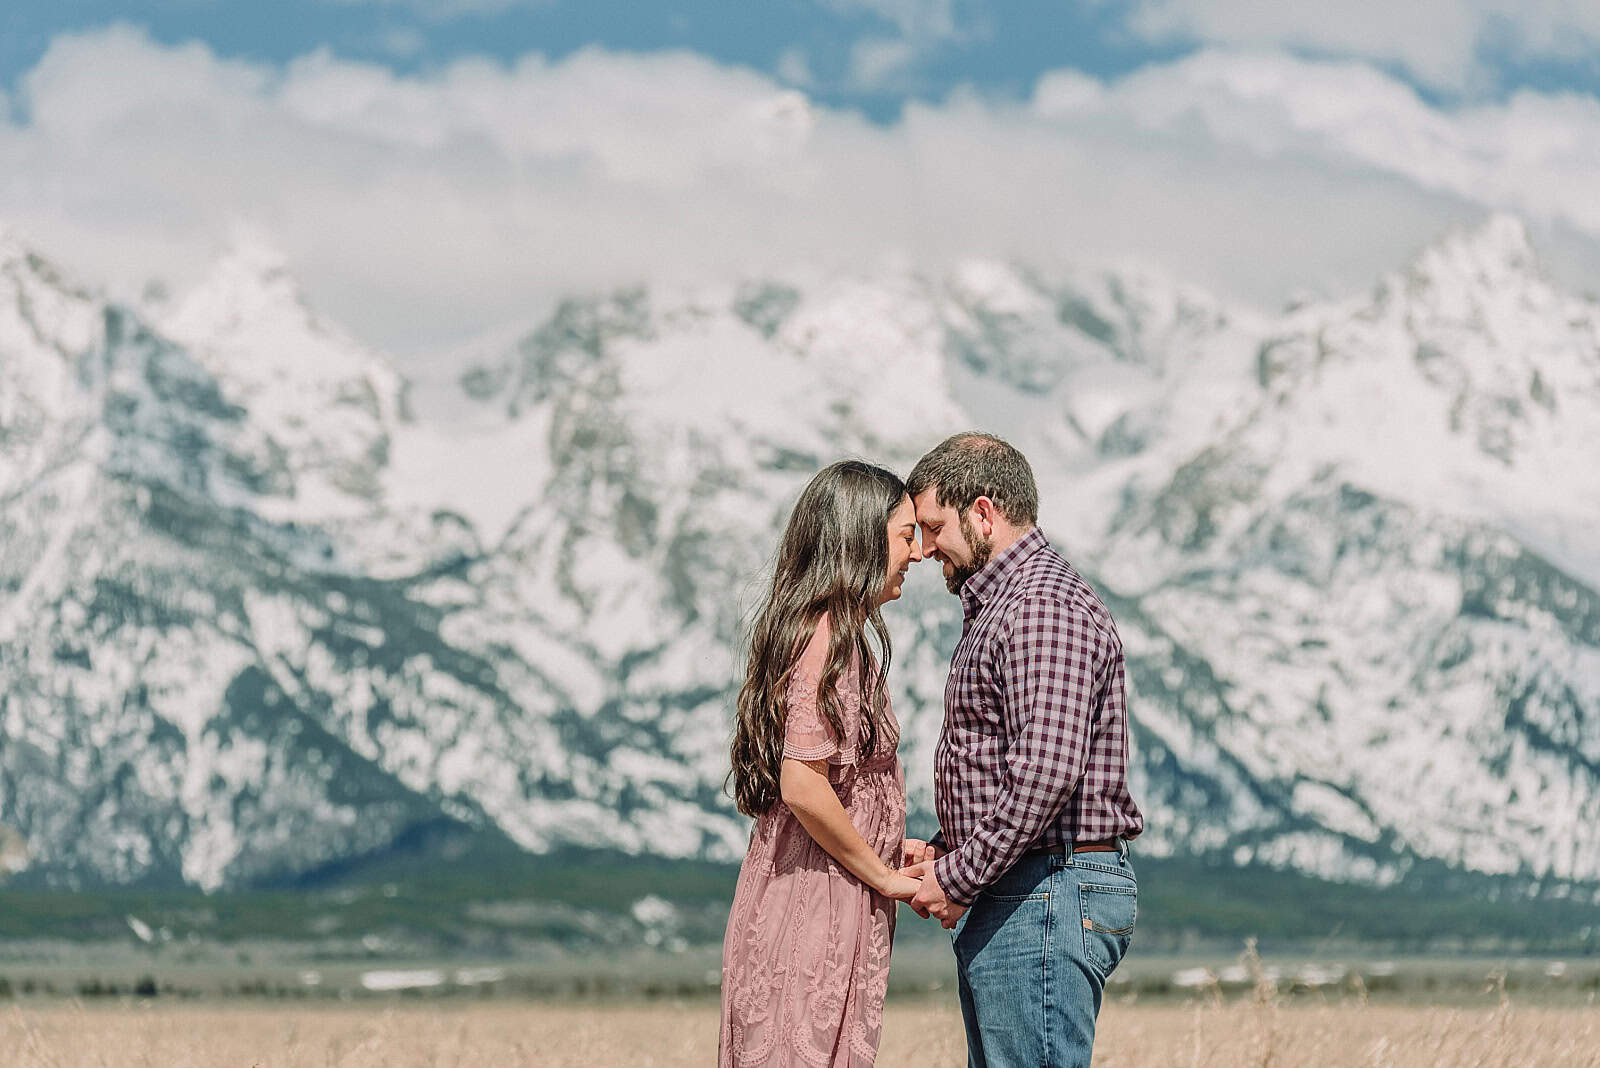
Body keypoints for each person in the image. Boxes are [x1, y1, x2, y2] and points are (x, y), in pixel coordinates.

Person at [901, 431, 1144, 1068]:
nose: (925, 550)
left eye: (934, 527)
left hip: (1045, 889)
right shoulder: (1007, 604)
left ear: (984, 512)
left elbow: (1045, 773)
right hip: (1028, 884)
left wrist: (956, 876)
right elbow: (1013, 765)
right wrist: (949, 845)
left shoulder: (1039, 604)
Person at [720, 459, 929, 1068]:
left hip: (830, 892)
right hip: (813, 904)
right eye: (904, 534)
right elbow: (805, 786)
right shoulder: (824, 638)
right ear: (862, 539)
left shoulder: (836, 636)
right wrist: (885, 875)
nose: (915, 554)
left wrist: (889, 848)